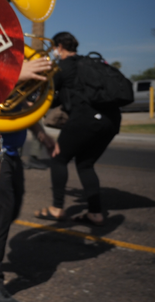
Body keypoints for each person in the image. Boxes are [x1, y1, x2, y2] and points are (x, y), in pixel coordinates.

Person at [0, 56, 56, 302]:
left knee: (11, 210)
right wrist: (11, 75)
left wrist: (42, 136)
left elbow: (20, 106)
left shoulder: (9, 62)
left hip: (12, 152)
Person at [34, 32, 121, 227]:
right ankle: (95, 214)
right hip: (112, 119)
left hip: (86, 118)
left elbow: (48, 94)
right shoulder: (88, 64)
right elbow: (66, 95)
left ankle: (57, 208)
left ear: (58, 47)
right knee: (85, 163)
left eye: (55, 48)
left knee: (59, 158)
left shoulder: (62, 67)